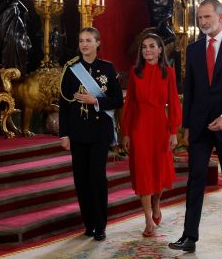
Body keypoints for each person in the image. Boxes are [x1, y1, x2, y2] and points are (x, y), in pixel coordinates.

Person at [168, 0, 222, 252]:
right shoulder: (193, 50)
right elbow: (190, 90)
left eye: (207, 17)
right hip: (200, 126)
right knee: (195, 180)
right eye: (200, 18)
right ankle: (189, 236)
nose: (203, 22)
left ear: (220, 17)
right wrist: (187, 125)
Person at [59, 27, 123, 241]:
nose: (84, 44)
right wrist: (64, 134)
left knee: (96, 177)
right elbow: (64, 105)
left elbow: (118, 100)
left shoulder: (107, 68)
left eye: (88, 40)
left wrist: (96, 101)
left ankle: (101, 225)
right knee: (81, 179)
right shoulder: (71, 69)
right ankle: (88, 224)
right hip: (77, 132)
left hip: (99, 133)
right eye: (81, 41)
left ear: (97, 43)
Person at [122, 33, 181, 237]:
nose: (147, 50)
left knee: (159, 169)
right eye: (144, 47)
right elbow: (129, 105)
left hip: (160, 127)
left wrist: (174, 131)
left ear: (160, 49)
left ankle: (156, 202)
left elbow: (174, 102)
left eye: (151, 46)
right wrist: (126, 133)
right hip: (139, 128)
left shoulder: (169, 74)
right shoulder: (135, 73)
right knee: (143, 173)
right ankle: (148, 220)